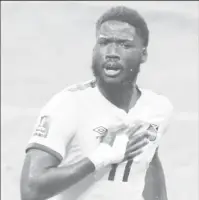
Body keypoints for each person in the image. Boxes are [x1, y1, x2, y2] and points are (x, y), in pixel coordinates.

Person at [20, 6, 173, 200]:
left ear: (143, 54)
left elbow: (148, 163)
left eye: (124, 45)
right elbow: (31, 190)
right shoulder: (68, 105)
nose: (112, 52)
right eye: (105, 42)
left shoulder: (157, 108)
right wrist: (99, 159)